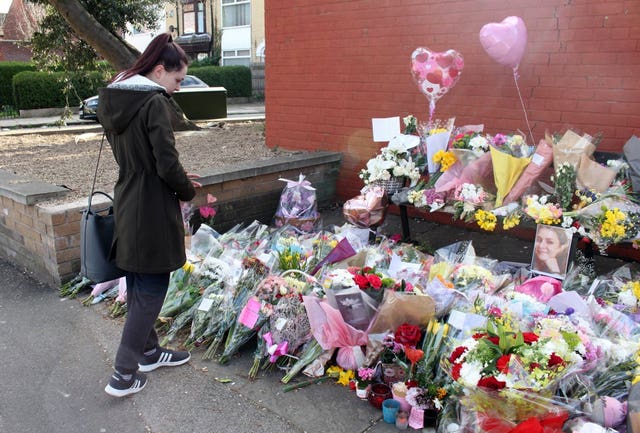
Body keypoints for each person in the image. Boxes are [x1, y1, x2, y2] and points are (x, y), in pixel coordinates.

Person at [97, 33, 201, 397]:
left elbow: (143, 158)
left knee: (142, 285)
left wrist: (172, 177)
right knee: (153, 287)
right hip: (152, 209)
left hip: (128, 200)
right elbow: (166, 162)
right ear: (159, 71)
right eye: (177, 80)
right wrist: (187, 190)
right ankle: (122, 375)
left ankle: (150, 353)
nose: (177, 88)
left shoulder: (116, 100)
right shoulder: (154, 103)